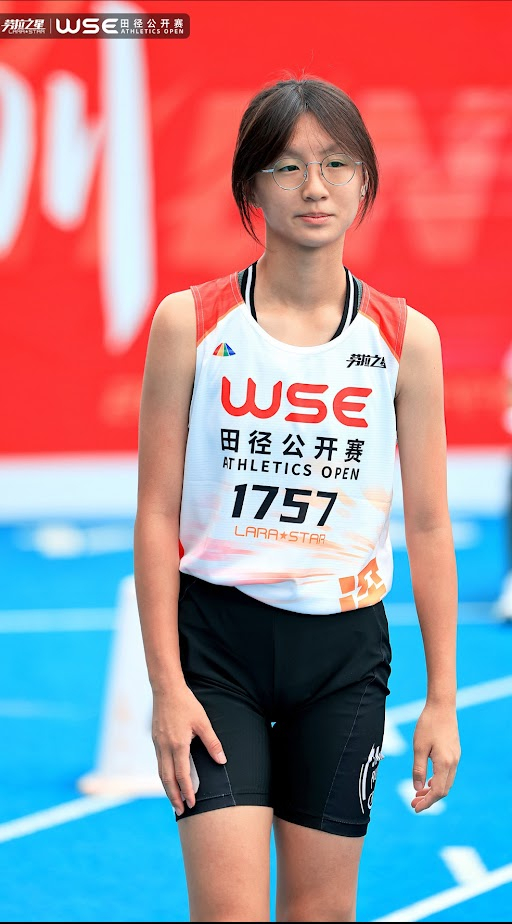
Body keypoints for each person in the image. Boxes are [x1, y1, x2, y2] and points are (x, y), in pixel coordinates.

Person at [133, 75, 461, 923]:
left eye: (336, 163)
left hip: (344, 660)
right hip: (217, 654)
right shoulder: (189, 323)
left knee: (320, 914)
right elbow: (157, 514)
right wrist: (165, 686)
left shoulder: (407, 340)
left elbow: (429, 526)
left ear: (365, 180)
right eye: (287, 166)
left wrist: (443, 700)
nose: (315, 186)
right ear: (250, 184)